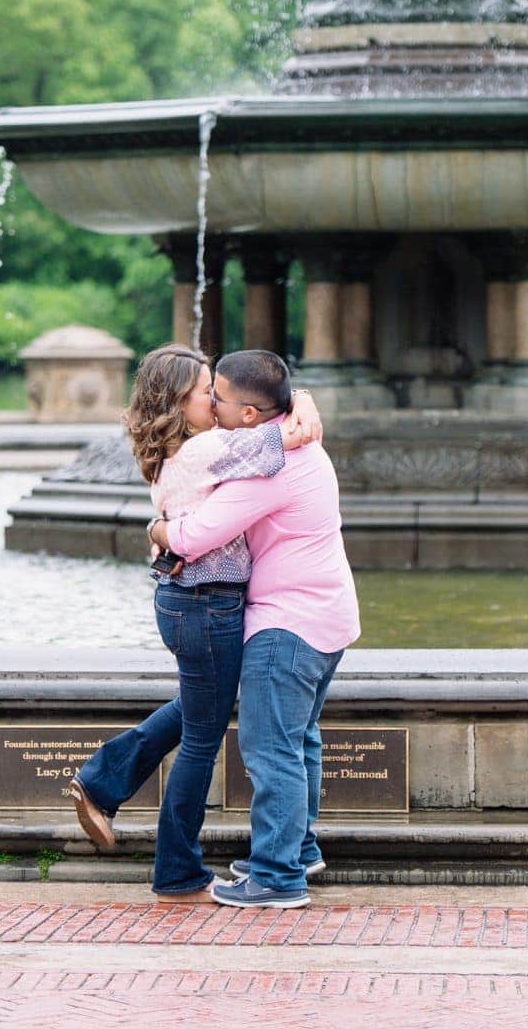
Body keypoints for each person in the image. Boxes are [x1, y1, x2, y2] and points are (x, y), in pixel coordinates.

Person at [70, 342, 320, 903]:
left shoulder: (167, 451)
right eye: (205, 389)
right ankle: (176, 868)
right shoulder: (209, 449)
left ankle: (105, 777)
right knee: (203, 738)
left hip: (186, 601)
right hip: (209, 604)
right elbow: (294, 433)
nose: (216, 397)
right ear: (179, 403)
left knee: (195, 710)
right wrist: (300, 396)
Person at [151, 349, 360, 910]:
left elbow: (195, 537)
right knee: (300, 741)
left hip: (286, 625)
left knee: (271, 752)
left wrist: (158, 528)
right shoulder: (297, 442)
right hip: (327, 615)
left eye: (216, 395)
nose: (208, 402)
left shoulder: (270, 467)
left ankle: (275, 877)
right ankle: (297, 848)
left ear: (248, 415)